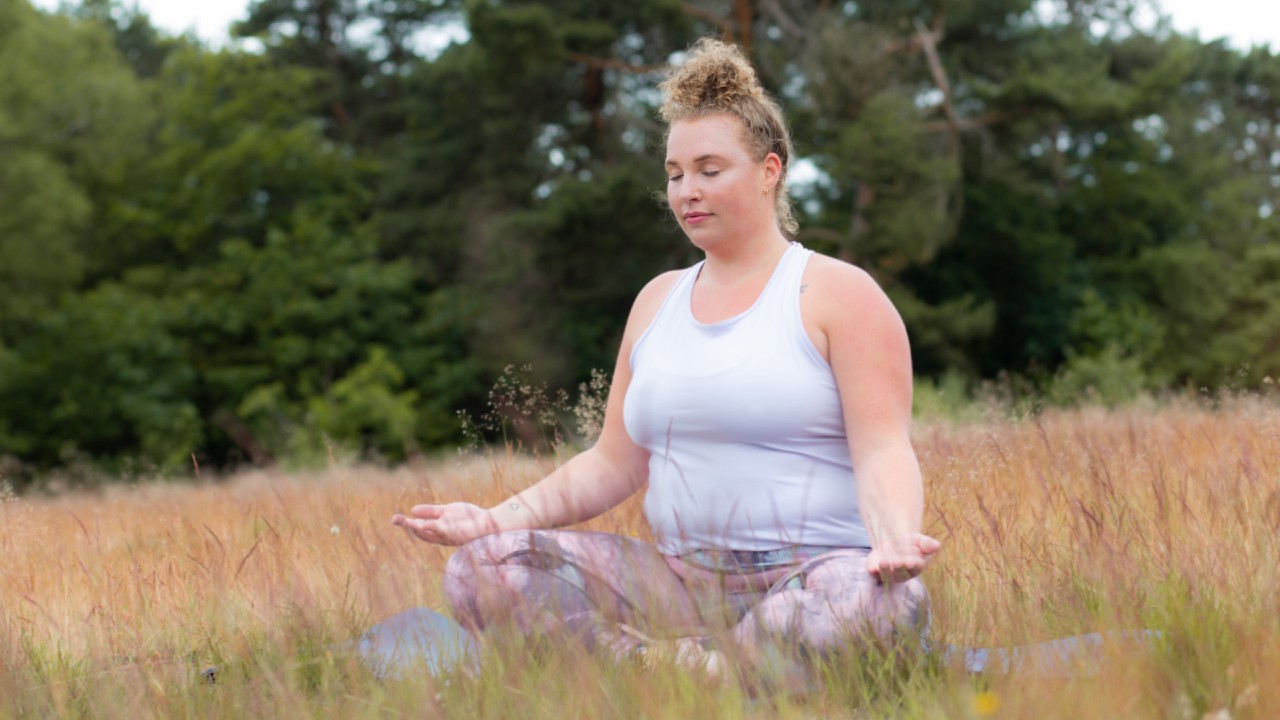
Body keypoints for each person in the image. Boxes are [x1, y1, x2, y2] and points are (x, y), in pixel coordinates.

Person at [392, 38, 940, 674]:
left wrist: (895, 536)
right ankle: (688, 668)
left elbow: (882, 446)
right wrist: (490, 519)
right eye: (675, 174)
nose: (688, 192)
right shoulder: (657, 301)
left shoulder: (839, 294)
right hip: (680, 585)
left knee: (882, 607)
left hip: (814, 577)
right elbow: (612, 463)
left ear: (769, 171)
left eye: (710, 170)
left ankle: (692, 670)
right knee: (483, 569)